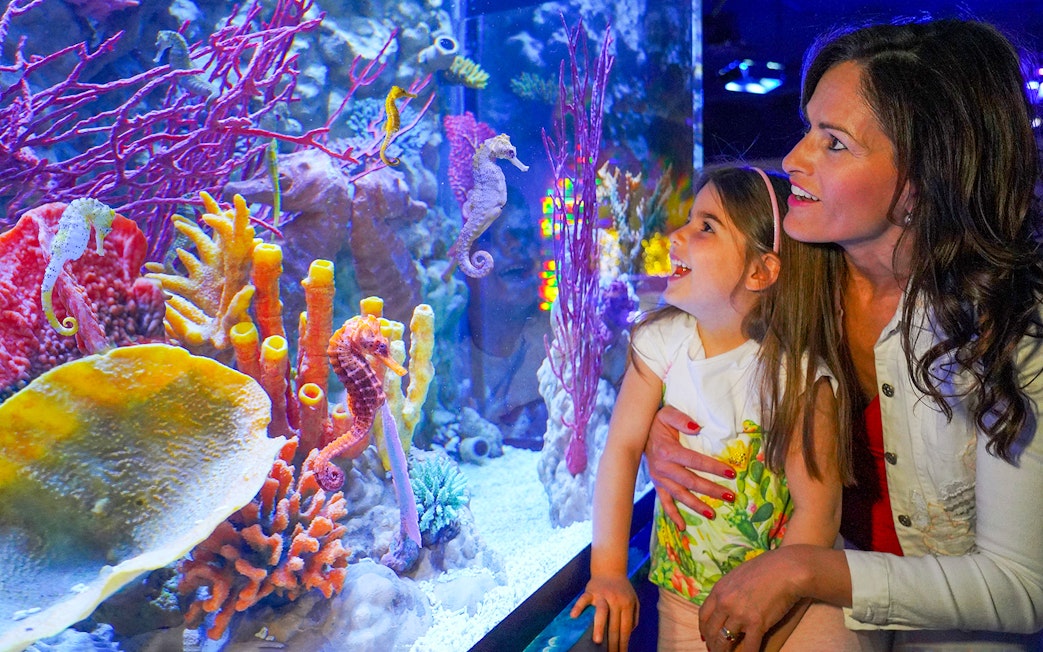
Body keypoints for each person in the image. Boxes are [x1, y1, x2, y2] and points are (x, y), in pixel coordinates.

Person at [645, 17, 1043, 651]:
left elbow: (1021, 587)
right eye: (808, 129)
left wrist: (804, 570)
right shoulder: (778, 278)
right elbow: (683, 355)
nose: (793, 159)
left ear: (922, 181)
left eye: (833, 143)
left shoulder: (1013, 329)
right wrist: (664, 431)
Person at [570, 165, 846, 651]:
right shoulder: (659, 343)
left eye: (706, 226)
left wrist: (770, 625)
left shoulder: (800, 380)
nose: (676, 235)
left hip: (794, 610)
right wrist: (609, 571)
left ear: (761, 271)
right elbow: (622, 449)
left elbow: (818, 515)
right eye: (688, 220)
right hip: (683, 601)